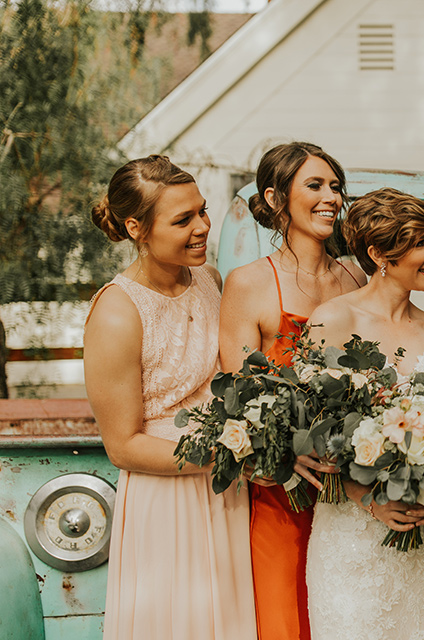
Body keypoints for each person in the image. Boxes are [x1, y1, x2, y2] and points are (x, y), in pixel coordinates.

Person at [85, 155, 256, 639]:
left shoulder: (208, 279)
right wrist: (224, 454)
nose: (202, 226)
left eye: (202, 211)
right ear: (137, 227)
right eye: (183, 219)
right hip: (167, 494)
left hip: (226, 489)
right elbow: (122, 445)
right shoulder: (117, 313)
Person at [303, 187, 424, 640]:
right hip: (355, 540)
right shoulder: (332, 322)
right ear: (378, 254)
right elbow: (314, 438)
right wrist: (370, 498)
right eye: (420, 243)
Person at [218, 142, 365, 640]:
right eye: (315, 186)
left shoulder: (356, 277)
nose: (332, 198)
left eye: (335, 186)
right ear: (276, 198)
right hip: (284, 492)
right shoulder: (248, 283)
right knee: (286, 620)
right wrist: (283, 458)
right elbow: (236, 399)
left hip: (353, 489)